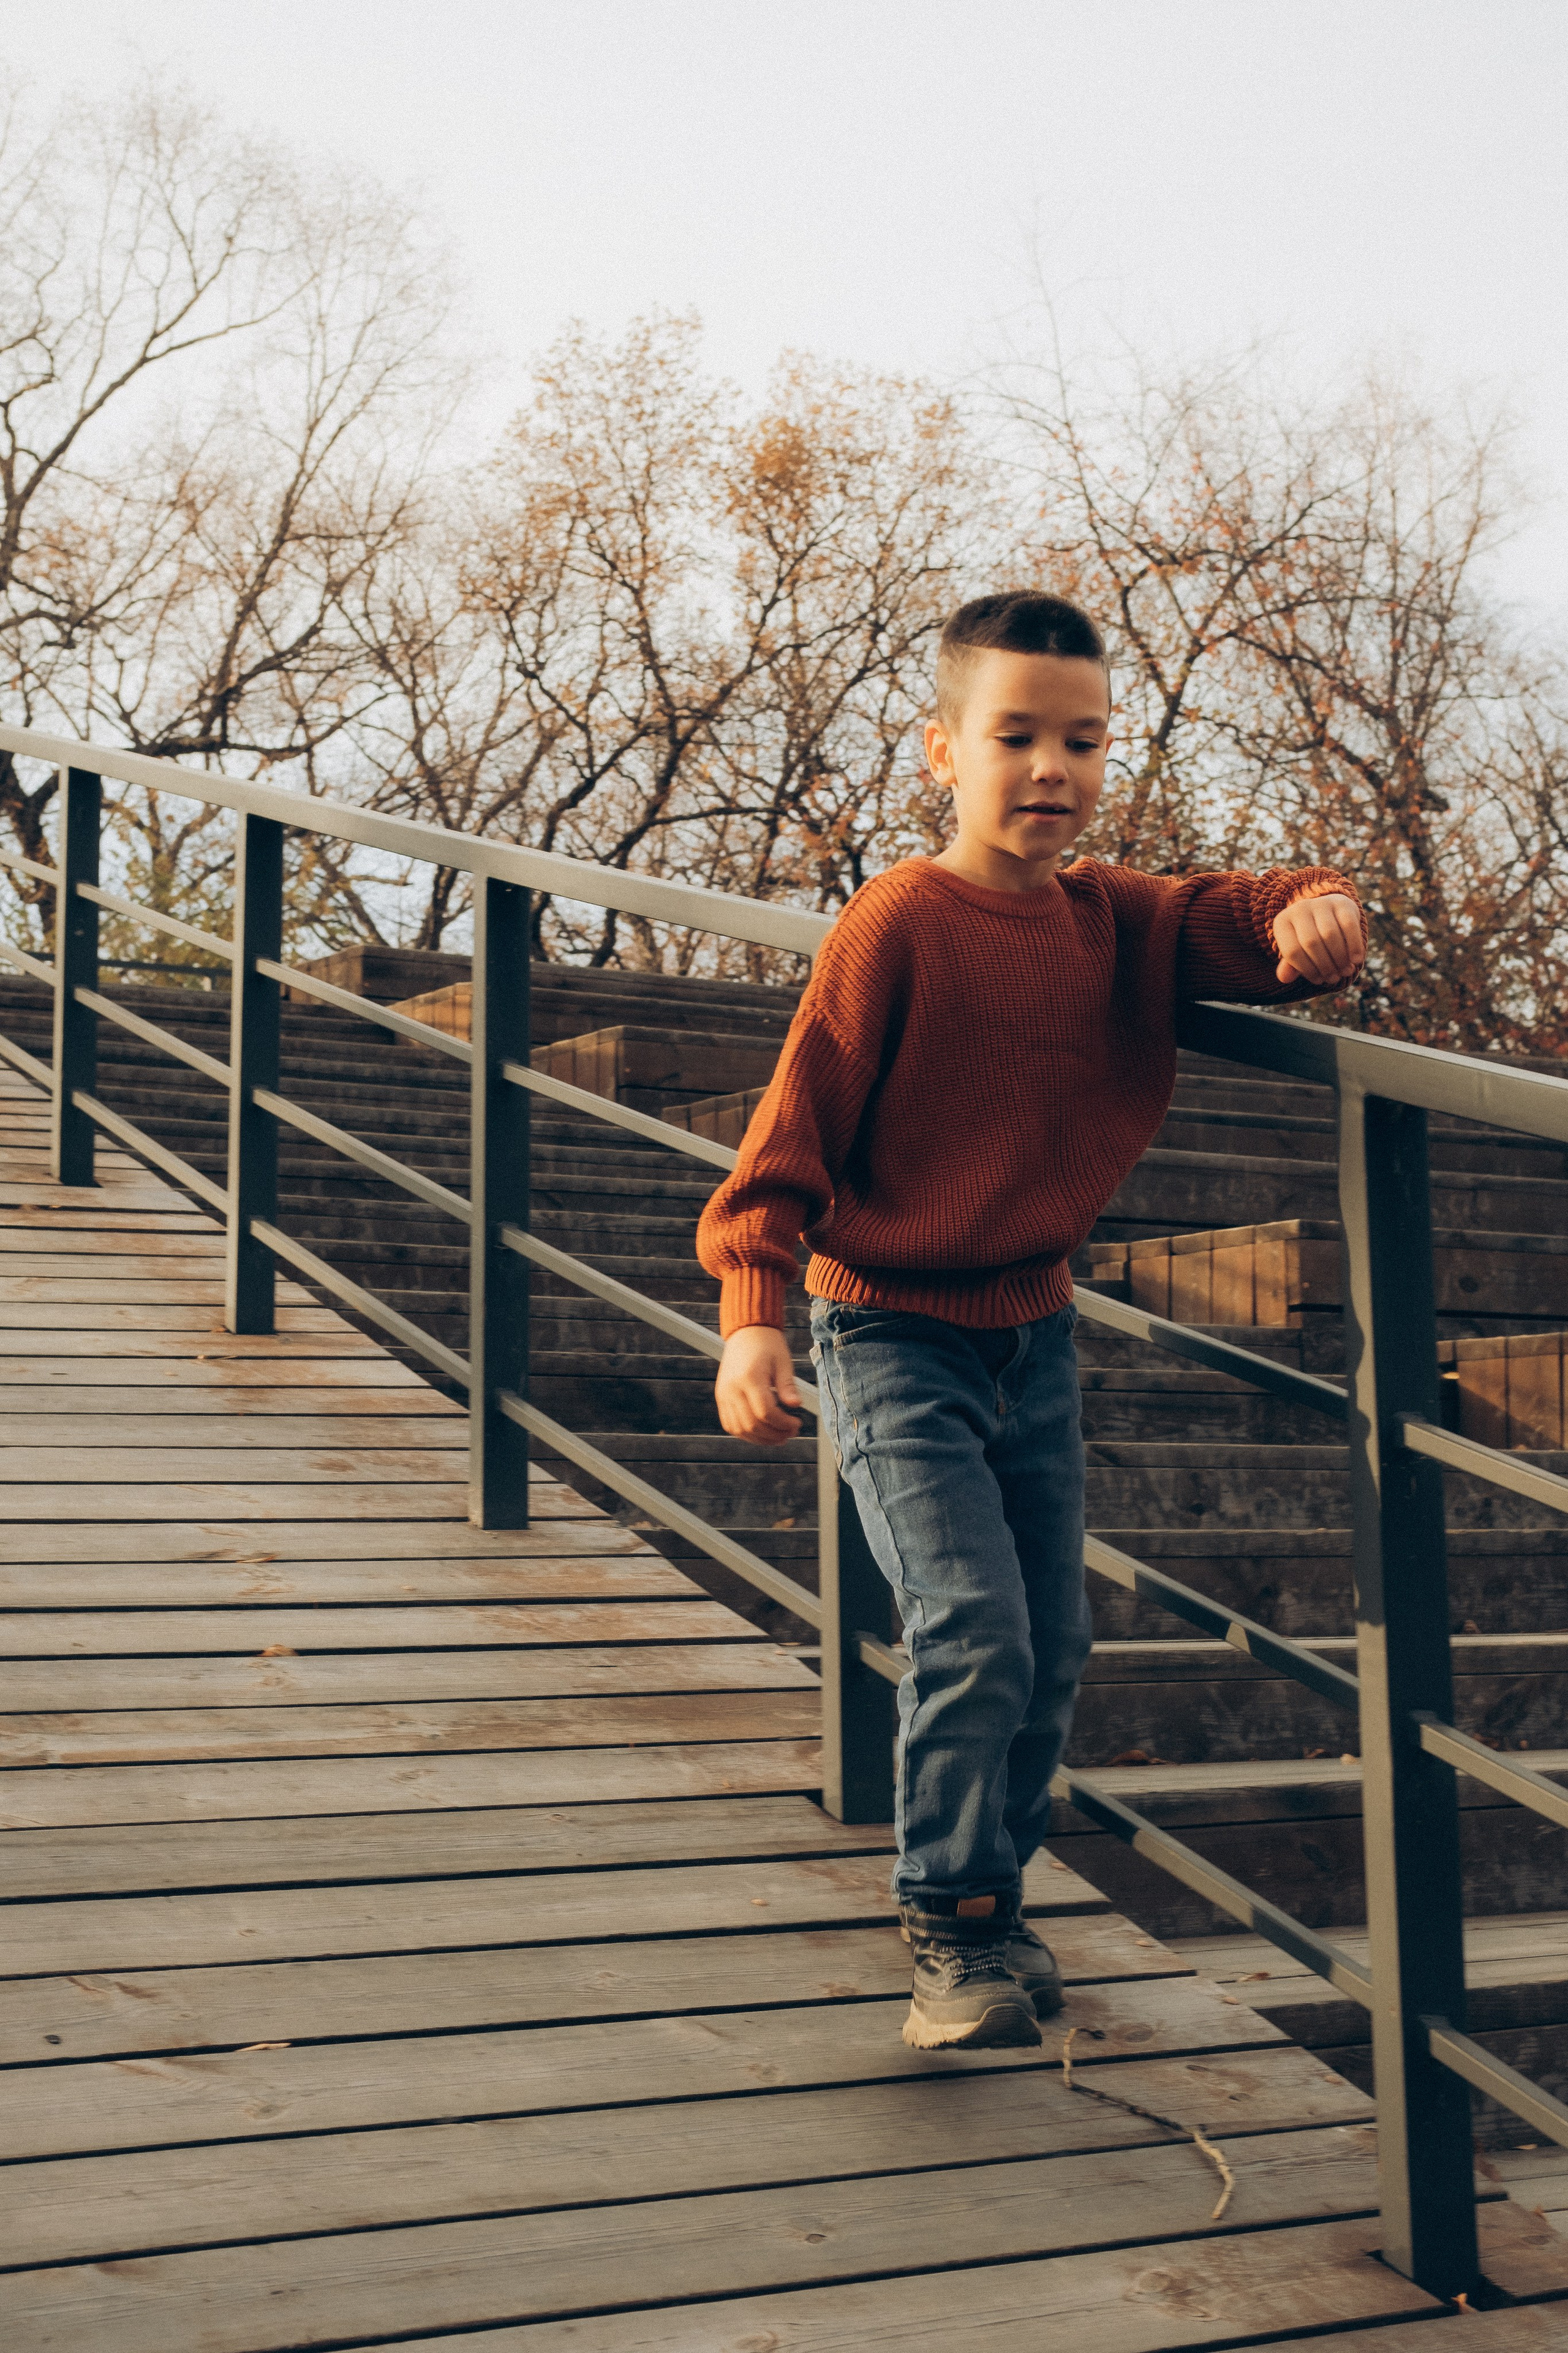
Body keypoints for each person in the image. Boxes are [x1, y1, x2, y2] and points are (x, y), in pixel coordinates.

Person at [696, 591, 1365, 2050]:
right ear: (942, 749)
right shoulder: (896, 924)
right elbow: (785, 1138)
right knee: (974, 1623)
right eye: (1015, 737)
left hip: (1032, 1333)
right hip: (884, 1331)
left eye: (1081, 739)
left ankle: (991, 1902)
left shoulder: (1111, 919)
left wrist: (1317, 911)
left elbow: (1230, 918)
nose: (1050, 768)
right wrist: (752, 1316)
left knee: (1051, 1644)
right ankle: (946, 1915)